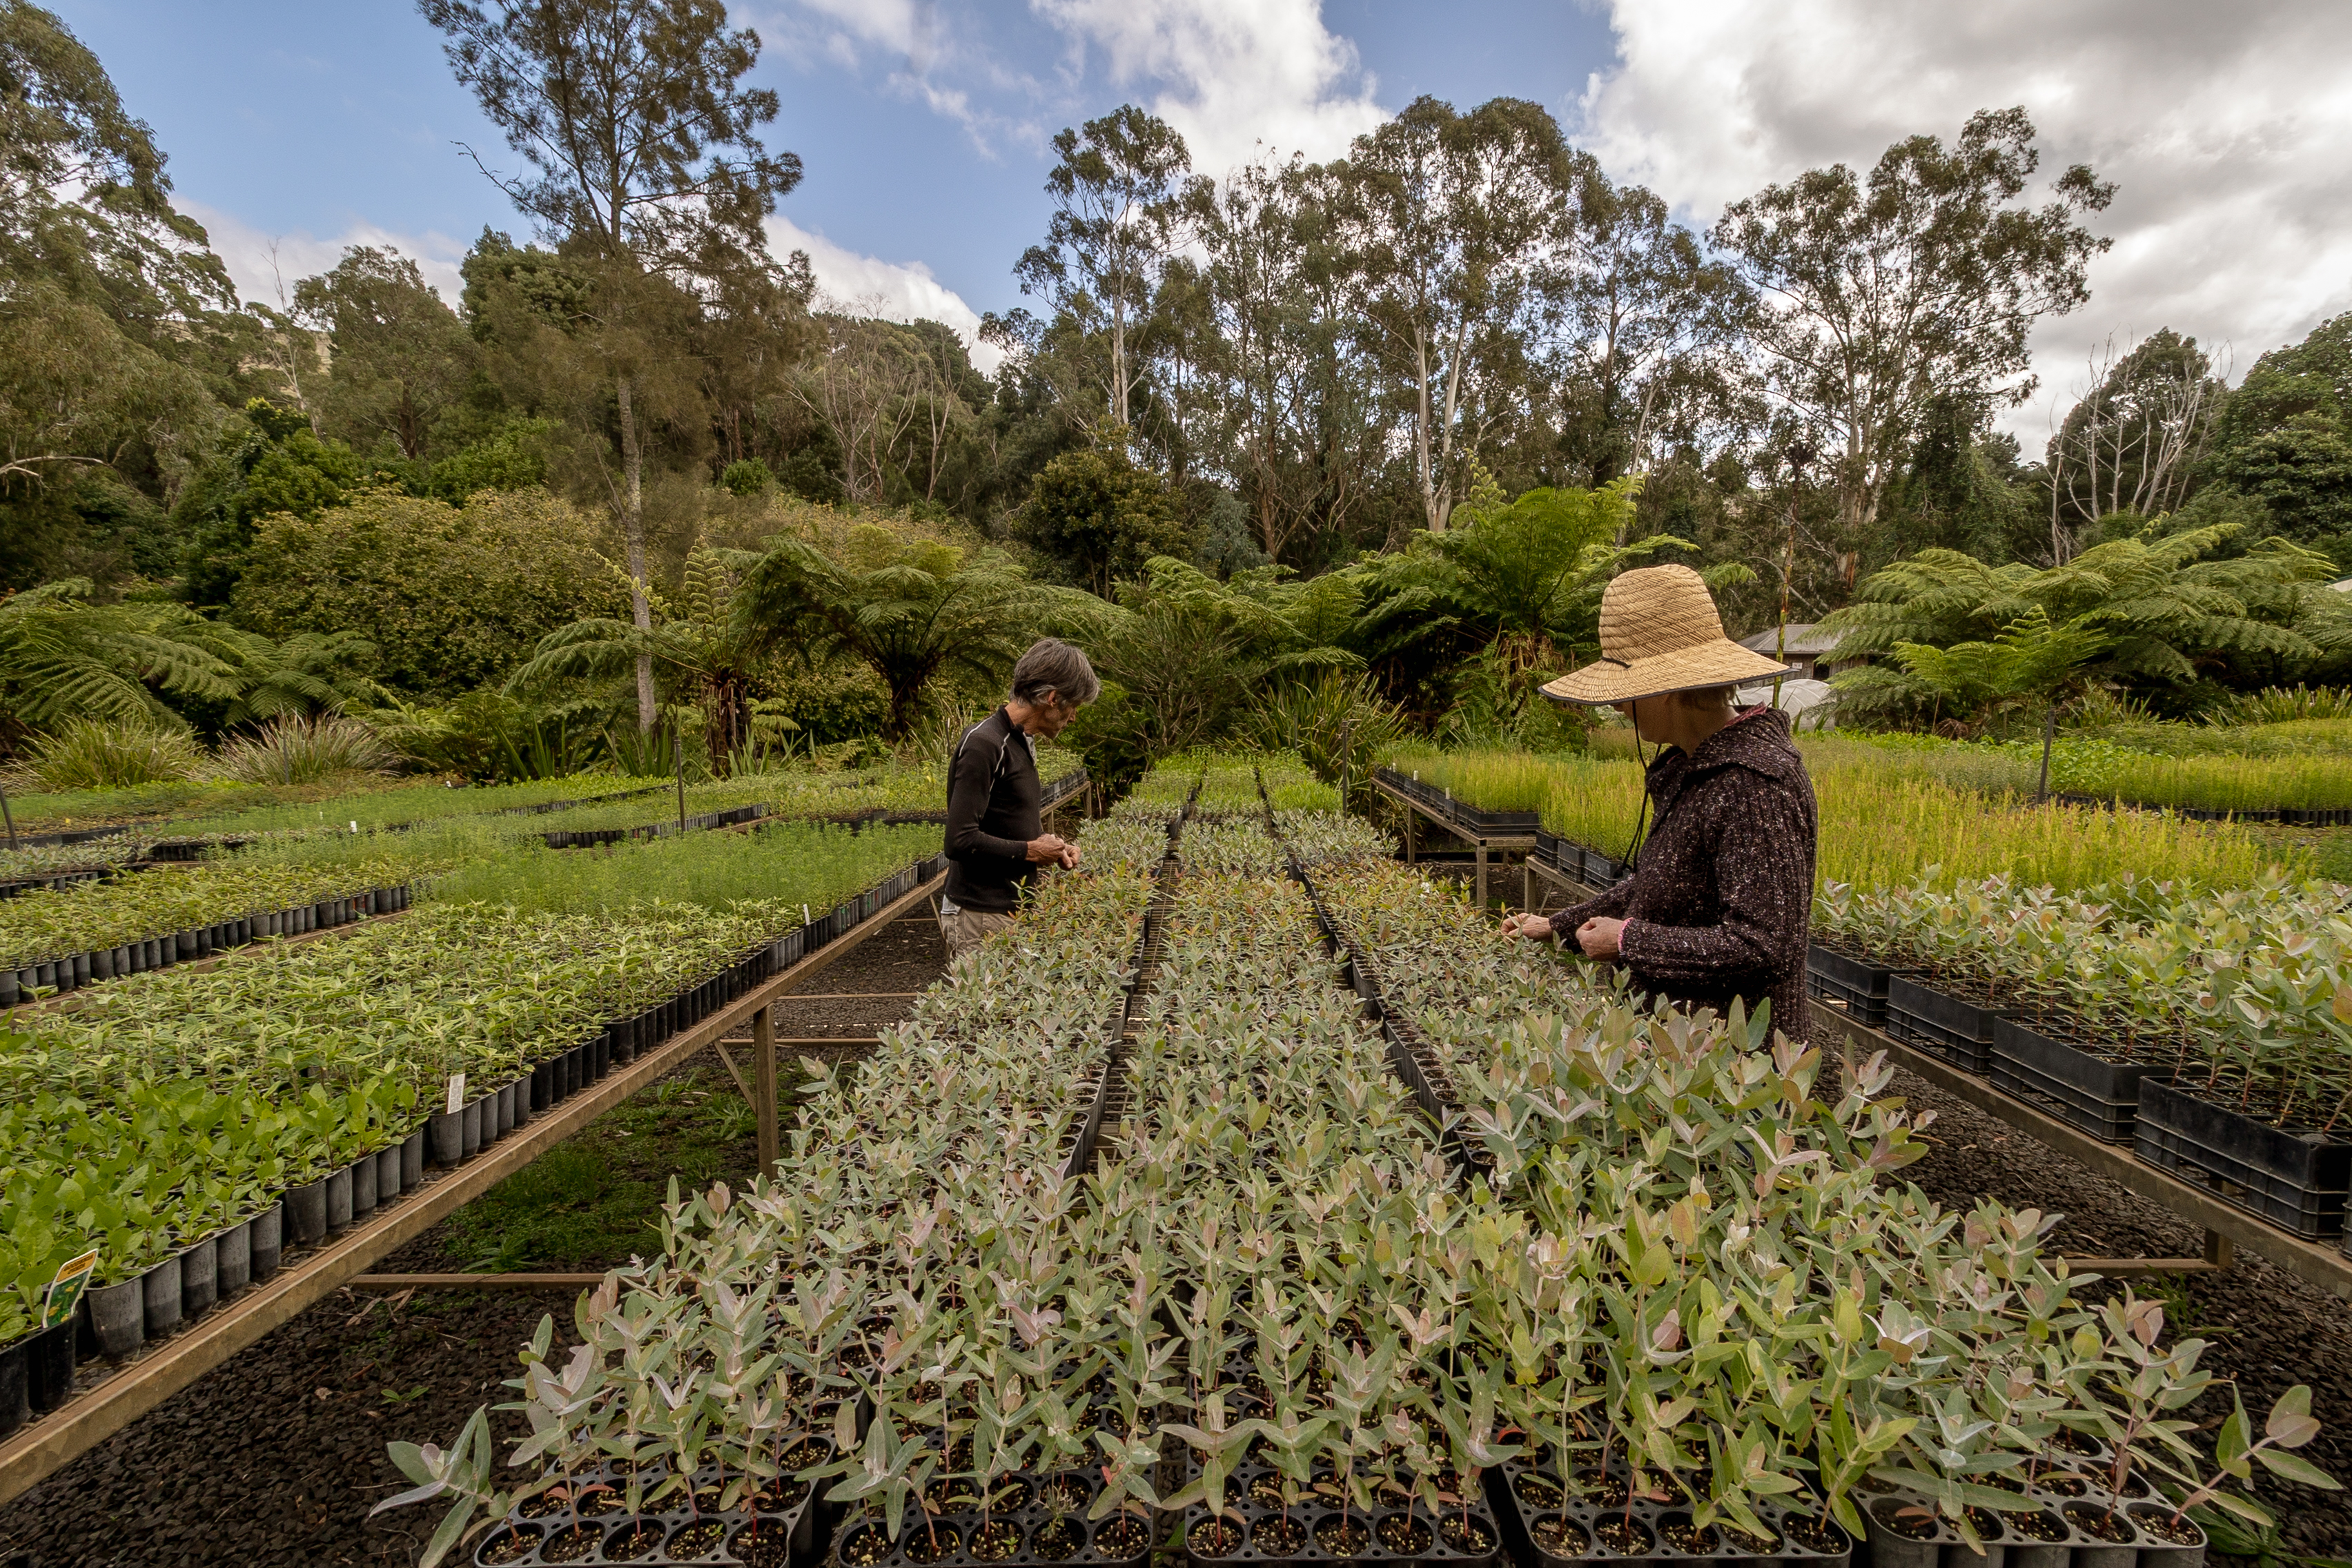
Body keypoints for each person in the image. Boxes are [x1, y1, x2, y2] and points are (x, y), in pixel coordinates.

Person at [1500, 564, 1819, 1041]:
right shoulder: (1697, 770)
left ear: (1667, 689)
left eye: (1623, 692)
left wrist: (1628, 940)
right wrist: (1556, 926)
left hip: (1735, 1077)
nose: (1615, 706)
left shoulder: (1755, 784)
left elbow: (1767, 946)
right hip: (1683, 1055)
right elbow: (1660, 887)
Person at [939, 638, 1100, 961]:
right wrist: (1030, 851)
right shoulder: (985, 744)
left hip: (1008, 912)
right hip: (979, 917)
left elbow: (1002, 820)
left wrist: (1049, 847)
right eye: (1074, 707)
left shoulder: (1017, 742)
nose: (1074, 718)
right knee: (984, 1013)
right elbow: (958, 840)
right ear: (1053, 699)